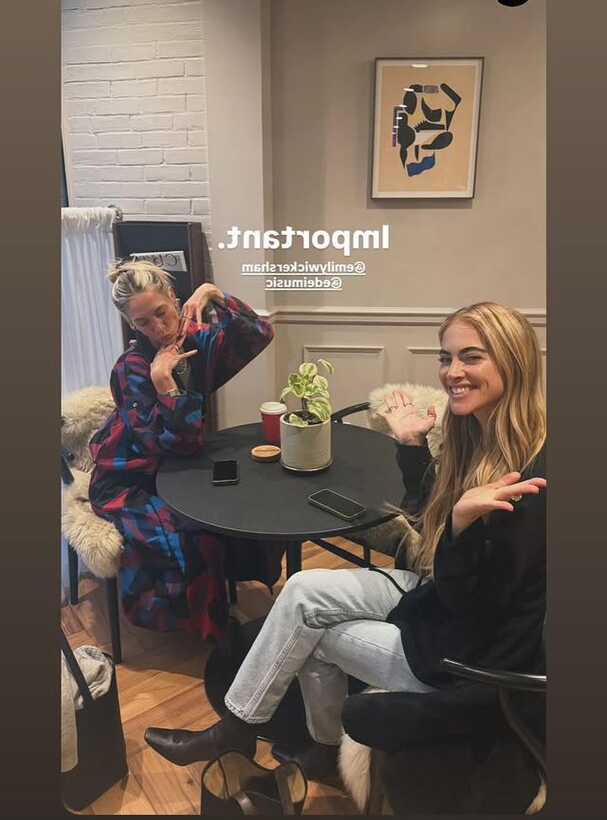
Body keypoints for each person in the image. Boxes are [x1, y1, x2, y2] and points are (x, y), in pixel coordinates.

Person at [145, 302, 546, 778]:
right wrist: (413, 450)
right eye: (446, 358)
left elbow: (478, 605)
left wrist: (459, 529)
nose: (452, 372)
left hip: (469, 658)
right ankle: (238, 728)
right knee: (302, 589)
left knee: (312, 635)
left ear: (514, 361)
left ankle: (319, 750)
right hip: (441, 602)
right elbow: (432, 522)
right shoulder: (479, 433)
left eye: (471, 357)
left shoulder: (534, 478)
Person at [89, 259, 283, 643]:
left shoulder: (198, 341)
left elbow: (259, 332)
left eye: (162, 312)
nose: (159, 328)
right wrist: (165, 385)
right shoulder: (132, 369)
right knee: (195, 536)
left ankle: (235, 595)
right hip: (130, 477)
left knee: (249, 505)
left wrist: (214, 292)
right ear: (130, 324)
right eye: (144, 322)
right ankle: (212, 631)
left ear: (174, 297)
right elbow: (169, 444)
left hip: (178, 468)